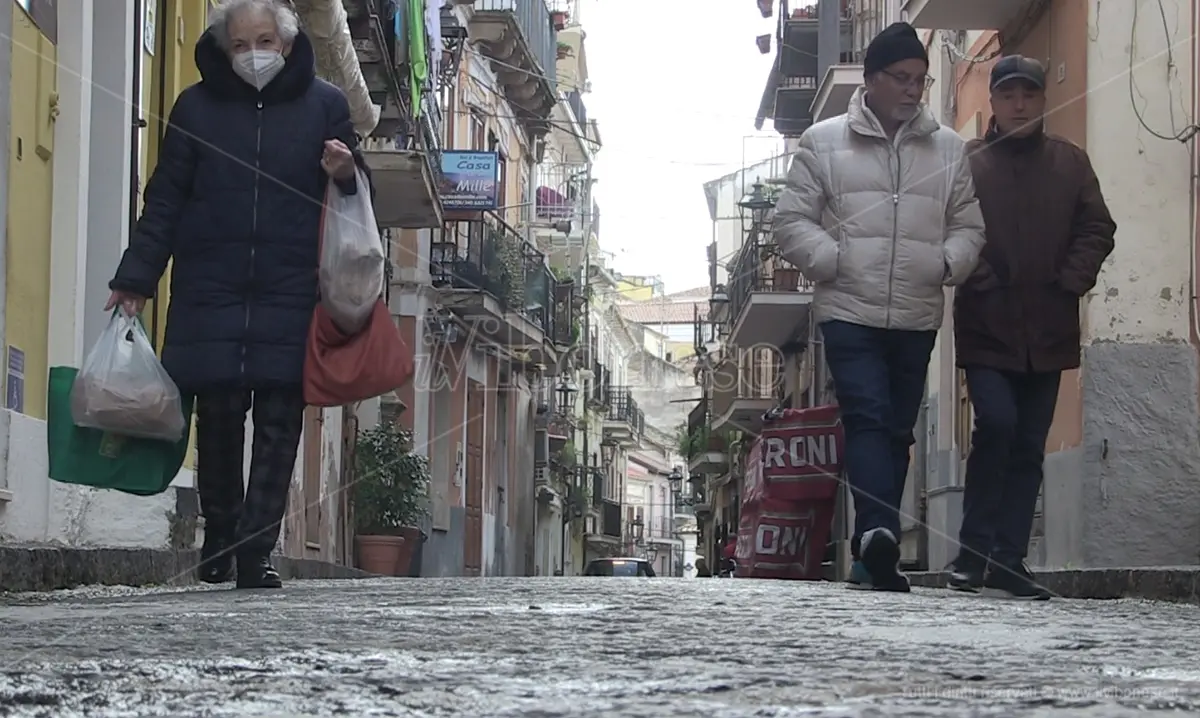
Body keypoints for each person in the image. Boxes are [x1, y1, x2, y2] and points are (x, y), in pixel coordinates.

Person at [107, 0, 371, 589]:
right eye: (242, 43)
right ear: (226, 50)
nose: (255, 52)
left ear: (286, 45)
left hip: (291, 285)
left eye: (265, 41)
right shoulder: (195, 108)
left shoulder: (326, 104)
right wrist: (136, 278)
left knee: (281, 420)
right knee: (219, 417)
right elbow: (167, 199)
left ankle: (256, 550)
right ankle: (220, 533)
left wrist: (345, 169)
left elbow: (360, 190)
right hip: (211, 284)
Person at [773, 22, 985, 592]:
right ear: (870, 81)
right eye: (902, 78)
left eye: (921, 79)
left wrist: (946, 265)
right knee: (866, 414)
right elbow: (790, 221)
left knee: (897, 431)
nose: (914, 89)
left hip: (916, 311)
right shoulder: (823, 141)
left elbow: (968, 225)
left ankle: (873, 553)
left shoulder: (947, 148)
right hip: (848, 307)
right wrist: (832, 260)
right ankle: (878, 531)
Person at [949, 56, 1116, 599]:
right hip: (987, 323)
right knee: (994, 426)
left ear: (1043, 100)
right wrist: (980, 277)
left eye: (1029, 94)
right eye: (1009, 95)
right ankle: (972, 555)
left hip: (1048, 325)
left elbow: (1097, 226)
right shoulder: (969, 163)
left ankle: (1009, 558)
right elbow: (949, 227)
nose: (1019, 104)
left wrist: (1071, 280)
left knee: (1027, 443)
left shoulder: (1069, 163)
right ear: (993, 103)